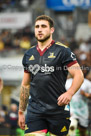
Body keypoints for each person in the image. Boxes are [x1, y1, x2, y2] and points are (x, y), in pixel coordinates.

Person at [18, 15, 84, 136]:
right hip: (35, 111)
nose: (39, 29)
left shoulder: (63, 51)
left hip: (58, 109)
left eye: (43, 26)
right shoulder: (28, 54)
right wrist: (21, 111)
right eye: (37, 26)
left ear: (51, 30)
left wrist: (69, 93)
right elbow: (25, 85)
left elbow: (79, 75)